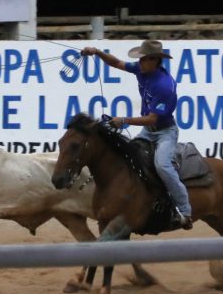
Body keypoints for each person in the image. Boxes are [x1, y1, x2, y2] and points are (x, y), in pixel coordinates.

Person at [80, 40, 193, 230]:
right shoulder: (142, 70)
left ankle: (184, 211)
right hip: (149, 131)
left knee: (163, 165)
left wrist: (123, 120)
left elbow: (152, 119)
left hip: (165, 132)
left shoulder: (165, 86)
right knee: (127, 158)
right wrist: (97, 52)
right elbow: (116, 63)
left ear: (155, 60)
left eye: (143, 59)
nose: (139, 62)